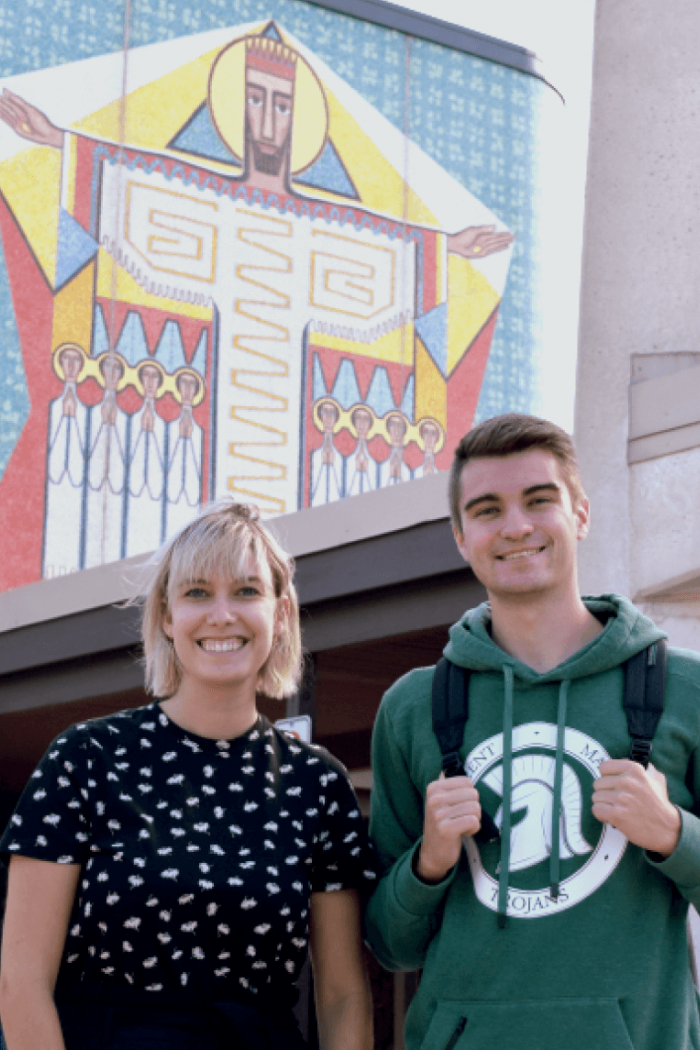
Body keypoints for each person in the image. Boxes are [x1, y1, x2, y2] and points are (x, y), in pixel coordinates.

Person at [365, 413, 700, 1050]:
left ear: (579, 514)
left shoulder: (685, 689)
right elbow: (388, 945)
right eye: (487, 510)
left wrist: (672, 833)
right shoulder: (413, 707)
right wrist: (430, 863)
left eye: (538, 500)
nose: (516, 526)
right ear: (461, 537)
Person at [0, 501, 376, 1050]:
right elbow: (21, 983)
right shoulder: (85, 758)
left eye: (246, 591)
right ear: (167, 615)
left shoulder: (317, 784)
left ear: (281, 614)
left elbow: (344, 996)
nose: (221, 614)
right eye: (197, 592)